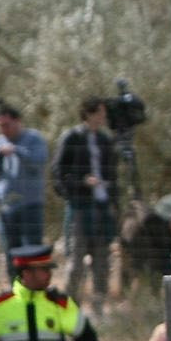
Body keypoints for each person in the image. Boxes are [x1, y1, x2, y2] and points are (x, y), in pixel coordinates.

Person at [54, 98, 118, 310]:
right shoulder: (72, 138)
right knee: (76, 261)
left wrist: (113, 202)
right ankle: (70, 306)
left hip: (101, 206)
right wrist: (81, 183)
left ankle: (98, 307)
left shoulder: (105, 140)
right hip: (80, 208)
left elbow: (112, 174)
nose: (103, 117)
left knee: (101, 260)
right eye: (100, 113)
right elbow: (59, 174)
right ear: (88, 114)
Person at [0, 105, 50, 252]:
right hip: (7, 206)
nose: (4, 130)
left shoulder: (34, 139)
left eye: (7, 125)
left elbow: (38, 162)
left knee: (32, 251)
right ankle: (16, 277)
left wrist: (16, 150)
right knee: (12, 253)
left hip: (31, 204)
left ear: (18, 121)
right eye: (0, 126)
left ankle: (31, 276)